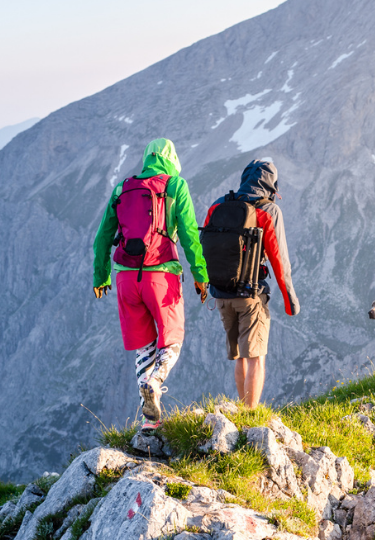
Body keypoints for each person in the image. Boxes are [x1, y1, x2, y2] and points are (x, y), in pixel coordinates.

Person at [92, 137, 208, 424]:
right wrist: (200, 275)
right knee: (172, 341)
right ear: (172, 159)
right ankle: (155, 382)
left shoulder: (123, 188)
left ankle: (149, 423)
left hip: (125, 279)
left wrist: (101, 275)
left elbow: (102, 238)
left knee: (144, 345)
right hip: (161, 275)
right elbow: (191, 234)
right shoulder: (175, 186)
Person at [199, 158, 297, 407]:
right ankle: (250, 416)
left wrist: (202, 283)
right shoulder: (268, 210)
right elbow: (279, 260)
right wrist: (290, 302)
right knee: (256, 357)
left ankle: (244, 409)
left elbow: (204, 246)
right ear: (271, 184)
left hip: (221, 295)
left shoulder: (219, 205)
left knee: (240, 356)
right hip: (251, 296)